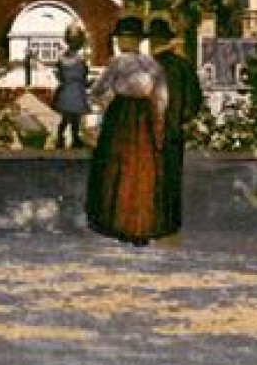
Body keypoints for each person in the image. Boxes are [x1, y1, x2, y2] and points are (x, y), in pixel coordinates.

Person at [85, 15, 168, 245]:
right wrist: (158, 121)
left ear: (130, 40)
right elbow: (161, 98)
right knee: (143, 169)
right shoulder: (152, 64)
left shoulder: (118, 63)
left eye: (123, 38)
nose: (122, 42)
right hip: (145, 116)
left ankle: (120, 224)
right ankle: (140, 226)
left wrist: (101, 106)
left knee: (120, 166)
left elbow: (97, 91)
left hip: (122, 115)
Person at [149, 14, 204, 237]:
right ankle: (172, 223)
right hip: (173, 132)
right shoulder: (183, 66)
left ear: (152, 41)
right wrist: (181, 118)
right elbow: (194, 101)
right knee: (173, 178)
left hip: (149, 132)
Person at [53, 24, 91, 149]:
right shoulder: (81, 59)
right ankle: (74, 139)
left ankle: (61, 137)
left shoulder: (61, 58)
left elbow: (59, 75)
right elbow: (84, 77)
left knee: (66, 117)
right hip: (77, 91)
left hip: (65, 91)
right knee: (75, 117)